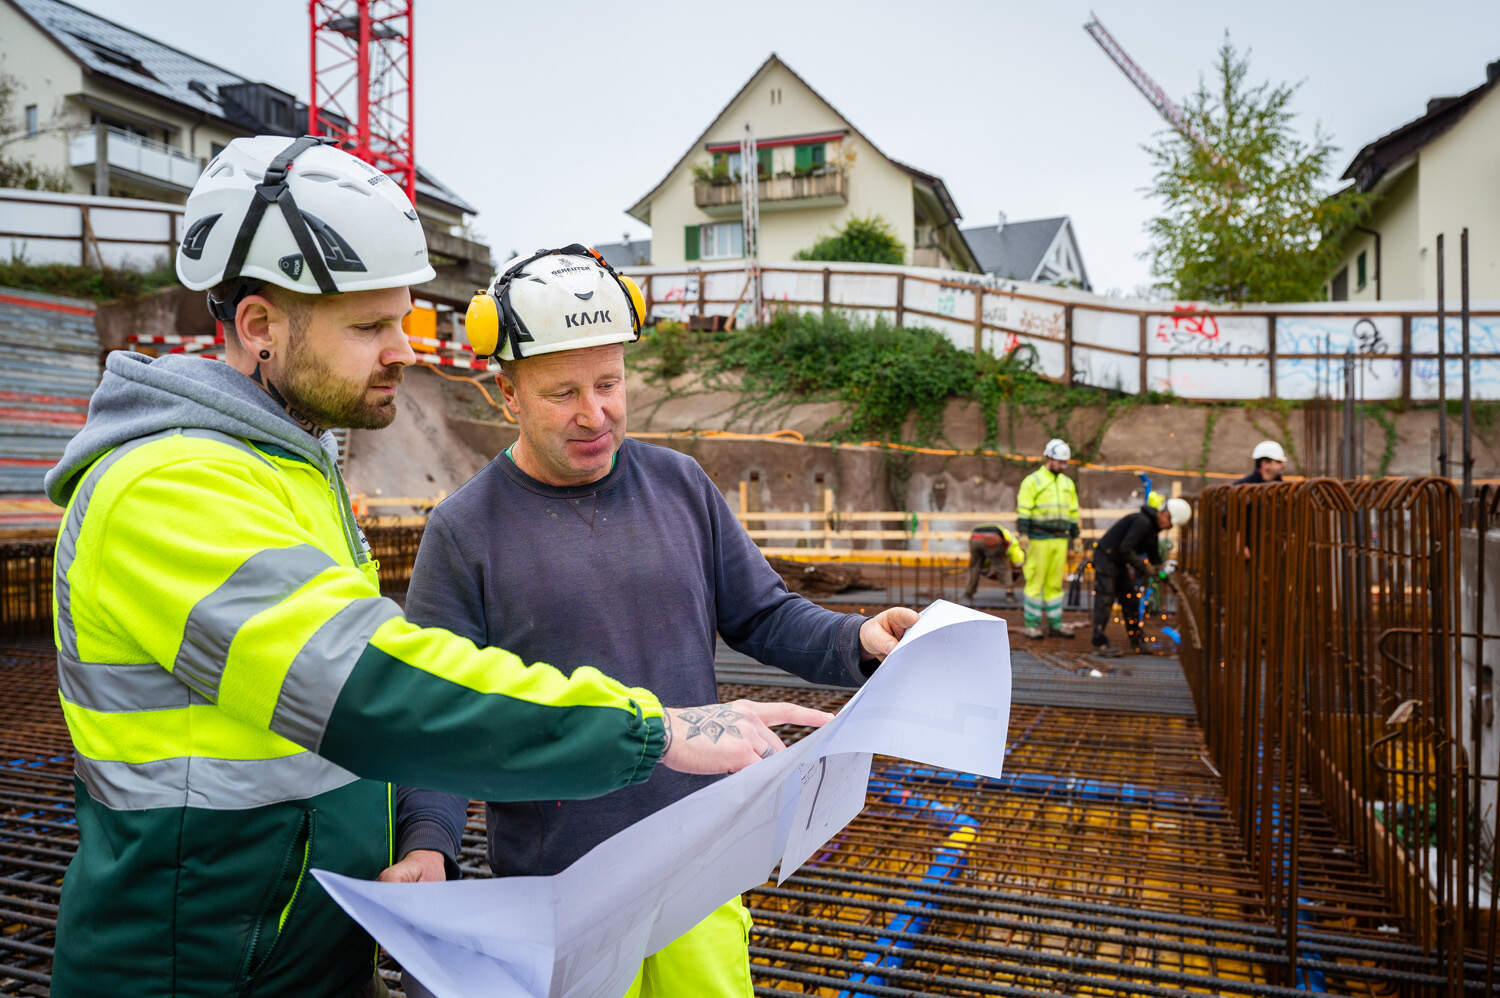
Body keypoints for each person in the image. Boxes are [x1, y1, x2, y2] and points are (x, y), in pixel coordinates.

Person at [41, 137, 827, 997]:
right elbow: (381, 688)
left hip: (294, 946)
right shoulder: (169, 489)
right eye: (371, 327)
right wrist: (653, 731)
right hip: (202, 968)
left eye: (404, 320)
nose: (407, 351)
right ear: (260, 326)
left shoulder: (290, 472)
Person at [387, 246, 919, 998]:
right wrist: (427, 843)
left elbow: (763, 614)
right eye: (562, 392)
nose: (594, 413)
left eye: (609, 383)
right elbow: (436, 716)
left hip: (699, 869)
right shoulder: (464, 530)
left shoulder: (679, 484)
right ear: (508, 394)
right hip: (561, 890)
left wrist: (856, 639)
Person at [1089, 495, 1192, 657]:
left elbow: (1154, 557)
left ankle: (1137, 641)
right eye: (1170, 523)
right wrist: (1145, 568)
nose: (1170, 527)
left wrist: (1165, 576)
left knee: (1131, 599)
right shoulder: (1142, 523)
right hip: (1106, 557)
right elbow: (1125, 549)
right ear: (1165, 514)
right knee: (1105, 598)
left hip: (1118, 561)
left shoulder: (1152, 530)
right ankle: (1099, 643)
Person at [1016, 439, 1080, 638]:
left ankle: (1055, 623)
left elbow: (1073, 512)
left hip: (1060, 540)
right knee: (1035, 581)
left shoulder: (1067, 483)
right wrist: (1023, 533)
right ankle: (1032, 624)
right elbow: (1024, 509)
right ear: (1049, 459)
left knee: (1055, 583)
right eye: (1060, 462)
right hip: (1038, 539)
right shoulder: (1033, 481)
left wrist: (1076, 535)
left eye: (1065, 463)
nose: (1063, 466)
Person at [962, 523, 1025, 603]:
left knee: (974, 567)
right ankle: (1009, 594)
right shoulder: (1014, 542)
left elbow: (987, 556)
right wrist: (1017, 570)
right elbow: (1018, 558)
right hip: (993, 538)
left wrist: (985, 569)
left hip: (975, 538)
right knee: (1002, 567)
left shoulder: (1004, 532)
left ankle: (968, 594)